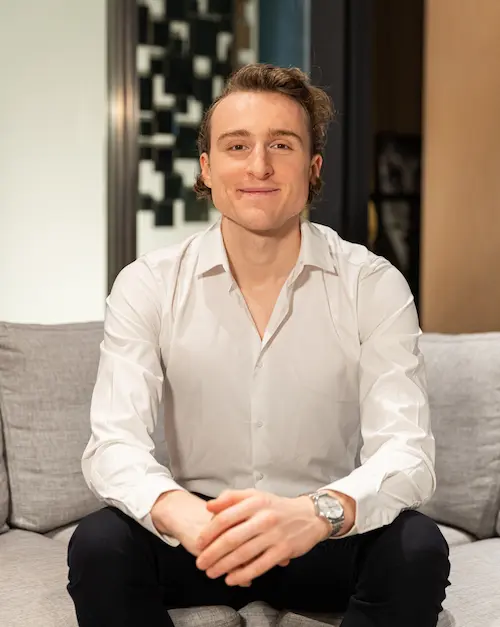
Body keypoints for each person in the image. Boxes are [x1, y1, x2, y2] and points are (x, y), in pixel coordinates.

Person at [67, 63, 450, 627]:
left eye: (282, 144)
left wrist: (317, 514)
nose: (259, 166)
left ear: (313, 167)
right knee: (99, 545)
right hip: (203, 532)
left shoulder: (372, 284)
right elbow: (112, 445)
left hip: (319, 527)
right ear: (207, 167)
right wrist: (180, 513)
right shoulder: (147, 284)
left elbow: (408, 452)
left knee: (417, 547)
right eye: (237, 145)